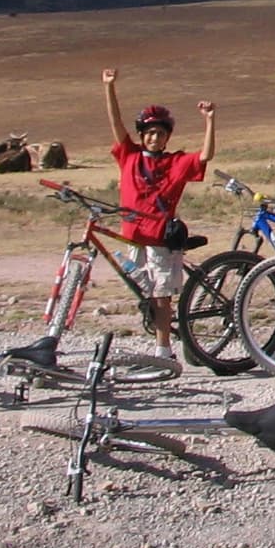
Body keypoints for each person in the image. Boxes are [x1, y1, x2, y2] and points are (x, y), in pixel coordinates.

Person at [102, 69, 213, 360]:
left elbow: (204, 156)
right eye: (150, 133)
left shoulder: (175, 162)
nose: (154, 138)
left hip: (160, 240)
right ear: (142, 135)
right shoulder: (129, 156)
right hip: (134, 238)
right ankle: (161, 339)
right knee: (145, 294)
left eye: (160, 134)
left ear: (167, 138)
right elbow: (115, 123)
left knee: (161, 296)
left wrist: (210, 121)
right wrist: (109, 87)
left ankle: (164, 351)